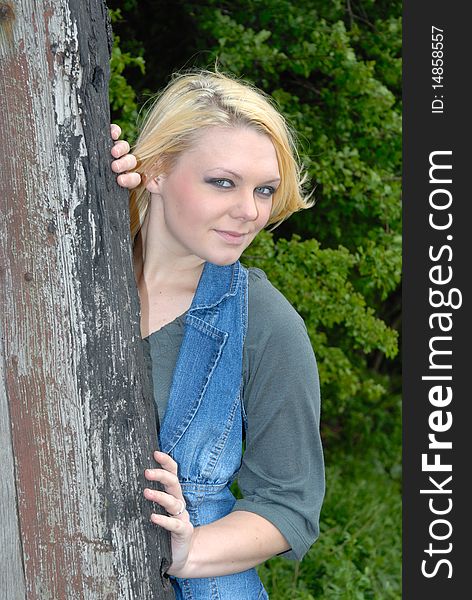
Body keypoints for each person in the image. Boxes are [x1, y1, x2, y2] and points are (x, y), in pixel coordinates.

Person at [110, 70, 325, 599]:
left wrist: (189, 551)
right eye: (223, 182)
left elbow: (288, 503)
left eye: (265, 190)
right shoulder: (66, 273)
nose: (249, 211)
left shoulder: (267, 324)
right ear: (156, 170)